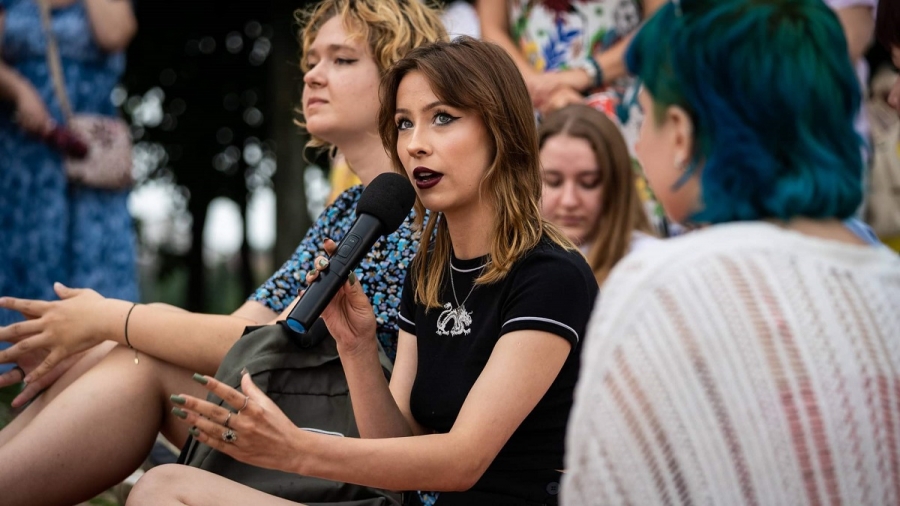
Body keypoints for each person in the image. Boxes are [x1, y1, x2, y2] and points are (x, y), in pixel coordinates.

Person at [0, 1, 447, 504]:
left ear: (401, 82)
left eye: (342, 60)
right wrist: (96, 334)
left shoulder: (425, 213)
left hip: (353, 449)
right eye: (311, 61)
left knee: (134, 358)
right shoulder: (349, 208)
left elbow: (262, 343)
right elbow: (247, 333)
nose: (313, 76)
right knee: (125, 351)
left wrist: (109, 318)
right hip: (311, 413)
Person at [126, 37, 598, 506]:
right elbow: (396, 456)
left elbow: (462, 460)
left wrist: (295, 450)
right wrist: (357, 348)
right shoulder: (430, 271)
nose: (415, 145)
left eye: (442, 118)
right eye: (404, 124)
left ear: (501, 129)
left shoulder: (550, 275)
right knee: (163, 486)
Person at [562, 1, 900, 504]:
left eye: (643, 114)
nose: (639, 143)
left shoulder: (658, 289)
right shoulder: (889, 281)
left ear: (681, 133)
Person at [0, 0, 138, 364]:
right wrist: (18, 89)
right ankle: (22, 363)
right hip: (24, 152)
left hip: (89, 154)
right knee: (24, 258)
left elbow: (115, 33)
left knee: (97, 262)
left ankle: (103, 361)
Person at [477, 0, 665, 120]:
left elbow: (661, 22)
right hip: (527, 95)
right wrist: (535, 86)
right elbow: (491, 26)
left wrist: (586, 74)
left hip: (617, 90)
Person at [538, 104, 656, 284]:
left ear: (616, 186)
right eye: (554, 181)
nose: (569, 201)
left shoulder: (649, 268)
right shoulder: (506, 264)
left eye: (588, 183)